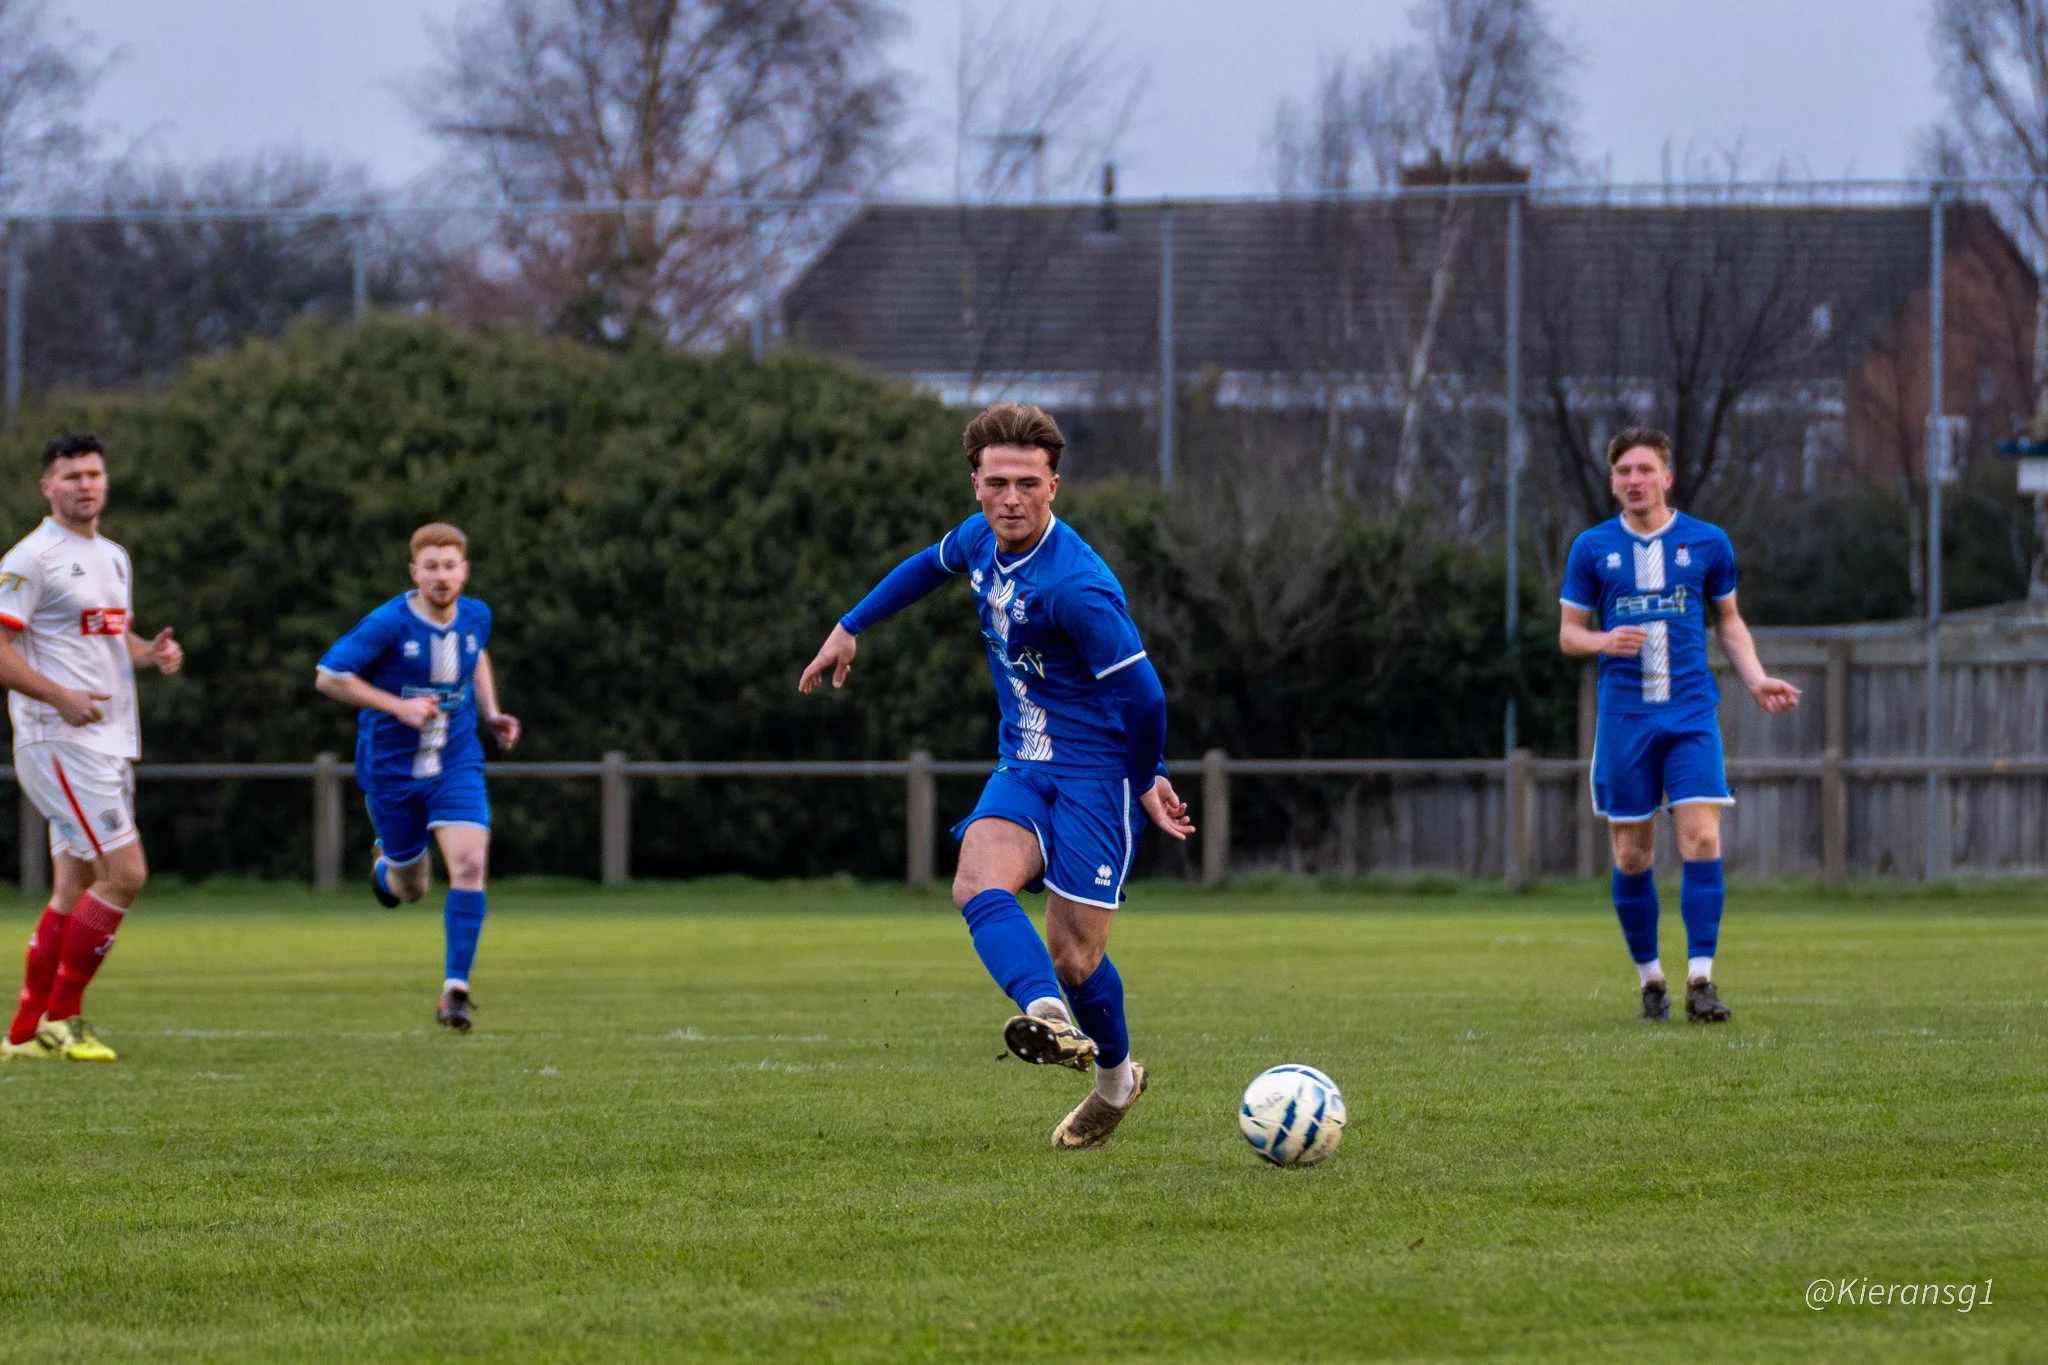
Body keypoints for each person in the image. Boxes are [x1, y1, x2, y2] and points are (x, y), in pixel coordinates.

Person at [800, 403, 1194, 1150]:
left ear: (1054, 486)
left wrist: (1147, 778)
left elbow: (1144, 695)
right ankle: (1045, 1013)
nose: (1011, 498)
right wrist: (849, 626)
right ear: (976, 483)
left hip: (1096, 777)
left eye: (1028, 483)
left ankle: (1115, 1079)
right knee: (977, 877)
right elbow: (927, 566)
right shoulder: (981, 539)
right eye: (997, 482)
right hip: (1024, 764)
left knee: (1077, 954)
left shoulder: (1077, 587)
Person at [1559, 428, 1801, 1024]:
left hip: (1692, 711)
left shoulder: (1708, 542)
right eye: (1623, 472)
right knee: (1633, 854)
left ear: (1667, 477)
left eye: (1644, 470)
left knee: (1701, 839)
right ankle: (1651, 982)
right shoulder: (1592, 549)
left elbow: (1730, 623)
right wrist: (1603, 640)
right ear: (1612, 481)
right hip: (1625, 719)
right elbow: (1568, 635)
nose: (1634, 481)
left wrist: (1756, 679)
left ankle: (1701, 981)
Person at [0, 433, 183, 1063]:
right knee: (126, 875)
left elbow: (109, 637)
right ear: (47, 486)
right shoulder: (31, 559)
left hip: (108, 741)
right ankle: (65, 1018)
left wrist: (149, 653)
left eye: (94, 474)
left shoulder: (113, 556)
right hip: (61, 741)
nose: (86, 484)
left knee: (73, 887)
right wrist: (56, 696)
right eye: (72, 475)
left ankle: (25, 1032)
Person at [315, 523, 519, 1031]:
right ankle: (386, 868)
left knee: (470, 865)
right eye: (431, 567)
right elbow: (329, 677)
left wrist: (492, 713)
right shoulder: (388, 624)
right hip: (392, 770)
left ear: (465, 571)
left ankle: (455, 989)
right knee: (412, 889)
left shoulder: (477, 616)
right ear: (415, 573)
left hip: (456, 760)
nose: (442, 576)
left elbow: (477, 656)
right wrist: (395, 706)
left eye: (450, 565)